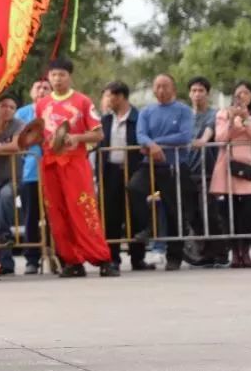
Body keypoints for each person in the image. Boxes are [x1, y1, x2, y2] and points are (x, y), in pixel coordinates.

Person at [27, 58, 117, 278]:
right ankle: (71, 261)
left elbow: (99, 133)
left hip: (75, 163)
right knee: (57, 213)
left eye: (62, 75)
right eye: (54, 75)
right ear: (48, 77)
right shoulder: (41, 105)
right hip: (50, 163)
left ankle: (102, 259)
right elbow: (37, 134)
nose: (57, 79)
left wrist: (77, 137)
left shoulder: (82, 102)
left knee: (83, 210)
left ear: (70, 76)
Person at [136, 74, 194, 271]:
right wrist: (150, 144)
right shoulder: (146, 112)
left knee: (173, 209)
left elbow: (185, 135)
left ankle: (174, 256)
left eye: (165, 86)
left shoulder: (184, 110)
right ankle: (147, 227)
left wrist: (155, 144)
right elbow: (141, 134)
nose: (161, 90)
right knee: (134, 188)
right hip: (150, 165)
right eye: (157, 86)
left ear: (173, 89)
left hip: (175, 165)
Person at [210, 80, 251, 268]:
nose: (243, 97)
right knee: (230, 212)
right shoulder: (223, 114)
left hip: (250, 167)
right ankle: (235, 252)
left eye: (246, 93)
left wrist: (246, 119)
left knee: (248, 212)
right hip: (228, 168)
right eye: (239, 93)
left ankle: (246, 251)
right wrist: (232, 122)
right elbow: (220, 138)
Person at [98, 81, 148, 271]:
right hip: (110, 170)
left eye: (109, 96)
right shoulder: (105, 120)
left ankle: (138, 258)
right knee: (111, 215)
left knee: (136, 213)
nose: (107, 100)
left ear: (120, 97)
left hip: (134, 170)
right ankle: (112, 258)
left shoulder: (139, 117)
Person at [185, 76, 226, 267]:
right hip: (187, 170)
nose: (197, 94)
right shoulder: (185, 115)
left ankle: (220, 252)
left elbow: (210, 130)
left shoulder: (214, 114)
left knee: (209, 212)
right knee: (192, 214)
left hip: (207, 170)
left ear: (207, 94)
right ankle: (203, 252)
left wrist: (202, 140)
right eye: (193, 90)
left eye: (201, 90)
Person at [15, 79, 50, 274]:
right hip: (30, 173)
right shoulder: (22, 113)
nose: (42, 90)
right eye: (38, 87)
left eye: (46, 88)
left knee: (55, 216)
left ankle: (58, 254)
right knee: (31, 217)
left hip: (53, 171)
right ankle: (31, 259)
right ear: (31, 92)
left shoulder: (56, 109)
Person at [0, 93, 24, 273]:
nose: (7, 110)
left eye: (12, 107)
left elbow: (16, 146)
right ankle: (5, 263)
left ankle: (5, 238)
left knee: (6, 197)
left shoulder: (19, 125)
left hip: (13, 178)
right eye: (4, 106)